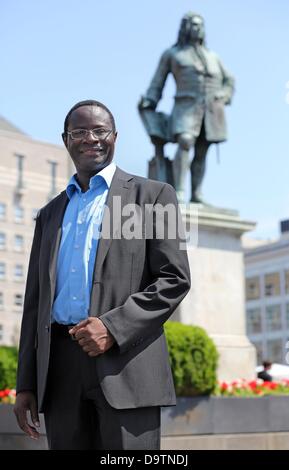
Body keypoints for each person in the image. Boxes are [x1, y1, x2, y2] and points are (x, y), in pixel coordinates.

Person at [14, 100, 191, 450]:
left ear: (115, 137)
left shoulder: (154, 196)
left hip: (127, 365)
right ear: (66, 140)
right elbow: (34, 304)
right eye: (79, 132)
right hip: (60, 371)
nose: (90, 138)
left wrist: (112, 327)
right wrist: (26, 384)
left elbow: (174, 279)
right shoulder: (49, 215)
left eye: (100, 131)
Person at [139, 12, 235, 203]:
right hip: (186, 107)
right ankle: (180, 190)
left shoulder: (213, 56)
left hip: (212, 111)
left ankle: (197, 193)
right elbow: (158, 81)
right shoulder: (173, 54)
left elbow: (229, 80)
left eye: (200, 25)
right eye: (193, 25)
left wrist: (224, 95)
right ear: (185, 28)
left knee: (202, 149)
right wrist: (150, 99)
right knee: (185, 141)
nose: (197, 29)